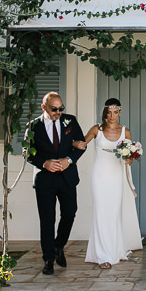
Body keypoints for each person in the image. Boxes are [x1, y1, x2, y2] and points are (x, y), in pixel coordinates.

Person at [73, 97, 143, 268]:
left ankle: (115, 251)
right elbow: (82, 143)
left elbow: (130, 159)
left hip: (116, 175)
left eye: (115, 112)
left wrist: (130, 159)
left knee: (113, 213)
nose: (112, 115)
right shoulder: (97, 129)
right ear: (105, 112)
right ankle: (103, 255)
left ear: (120, 112)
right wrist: (73, 142)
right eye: (109, 112)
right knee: (101, 212)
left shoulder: (125, 132)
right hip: (99, 175)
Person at [25, 91, 86, 275]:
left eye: (61, 108)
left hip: (67, 176)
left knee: (70, 213)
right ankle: (48, 259)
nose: (58, 112)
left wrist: (69, 159)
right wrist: (44, 163)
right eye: (54, 109)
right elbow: (27, 152)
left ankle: (59, 246)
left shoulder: (70, 121)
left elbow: (82, 144)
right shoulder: (34, 126)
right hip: (45, 179)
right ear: (44, 107)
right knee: (47, 219)